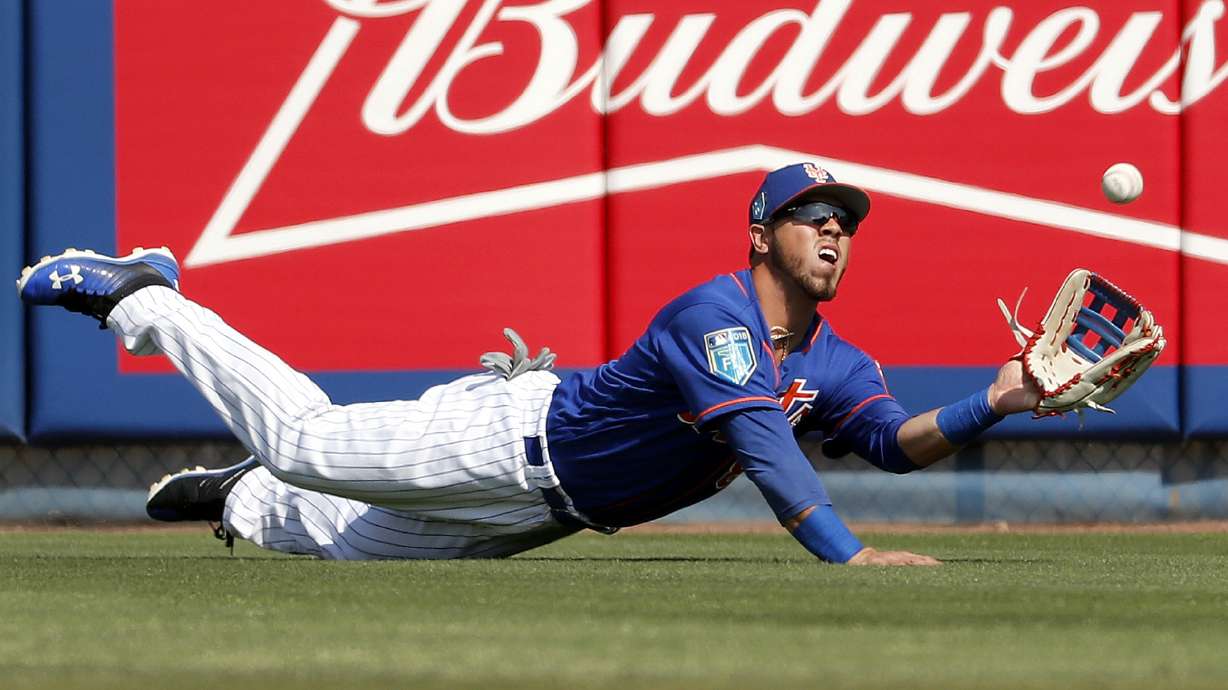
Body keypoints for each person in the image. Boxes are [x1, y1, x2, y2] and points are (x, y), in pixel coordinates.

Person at [16, 162, 1040, 565]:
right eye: (812, 219)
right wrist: (848, 557)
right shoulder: (713, 314)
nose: (833, 234)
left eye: (846, 225)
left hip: (547, 511)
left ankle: (243, 502)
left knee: (357, 553)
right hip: (510, 440)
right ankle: (142, 294)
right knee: (306, 437)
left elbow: (891, 445)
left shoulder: (839, 358)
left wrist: (994, 400)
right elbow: (764, 445)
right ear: (760, 232)